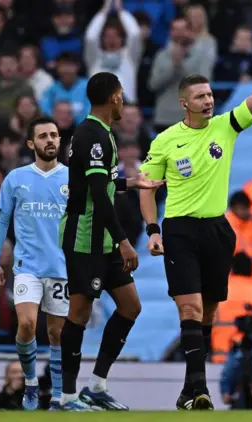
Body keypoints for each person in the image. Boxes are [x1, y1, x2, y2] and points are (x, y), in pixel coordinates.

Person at [139, 17, 252, 411]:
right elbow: (148, 188)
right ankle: (200, 389)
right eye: (200, 96)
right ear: (184, 103)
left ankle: (190, 390)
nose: (208, 100)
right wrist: (153, 230)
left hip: (218, 231)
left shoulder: (226, 127)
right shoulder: (166, 140)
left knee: (208, 311)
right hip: (180, 231)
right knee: (188, 307)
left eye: (210, 94)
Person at [58, 72, 164, 411]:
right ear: (112, 98)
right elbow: (94, 195)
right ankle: (67, 396)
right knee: (79, 311)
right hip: (86, 236)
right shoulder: (93, 135)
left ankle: (96, 386)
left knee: (131, 305)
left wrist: (128, 184)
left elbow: (99, 185)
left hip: (101, 236)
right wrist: (123, 241)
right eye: (121, 94)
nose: (123, 100)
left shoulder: (100, 133)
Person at [0, 116, 68, 411]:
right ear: (31, 143)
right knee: (26, 324)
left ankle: (58, 394)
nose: (50, 140)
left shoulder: (71, 179)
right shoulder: (16, 178)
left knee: (57, 334)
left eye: (54, 135)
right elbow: (1, 221)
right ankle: (31, 383)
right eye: (44, 136)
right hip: (27, 267)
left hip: (61, 268)